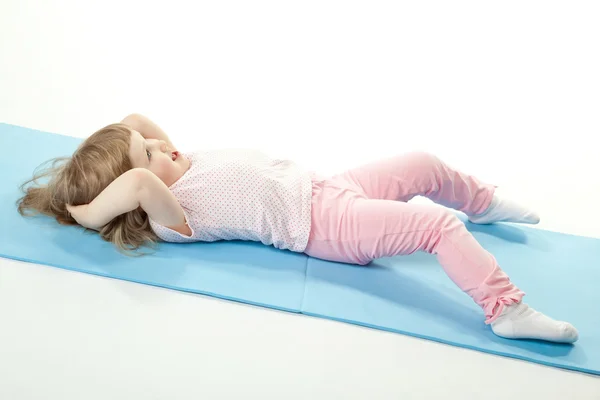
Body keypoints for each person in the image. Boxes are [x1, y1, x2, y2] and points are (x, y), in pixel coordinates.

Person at [17, 113, 578, 344]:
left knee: (424, 161)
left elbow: (134, 121)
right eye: (149, 153)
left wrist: (125, 146)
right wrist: (88, 211)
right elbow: (138, 182)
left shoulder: (175, 163)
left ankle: (480, 201)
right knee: (435, 226)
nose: (163, 144)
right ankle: (504, 310)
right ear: (133, 190)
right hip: (324, 226)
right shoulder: (172, 214)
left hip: (329, 187)